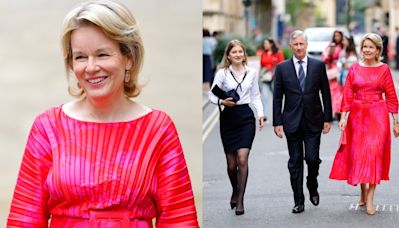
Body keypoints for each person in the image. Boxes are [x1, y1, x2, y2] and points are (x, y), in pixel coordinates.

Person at [7, 1, 199, 227]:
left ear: (129, 58)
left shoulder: (158, 128)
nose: (90, 67)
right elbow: (24, 220)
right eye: (80, 57)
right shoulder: (48, 127)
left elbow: (179, 219)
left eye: (102, 54)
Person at [329, 33, 399, 215]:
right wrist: (343, 117)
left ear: (378, 50)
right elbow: (347, 94)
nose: (367, 50)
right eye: (365, 47)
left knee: (374, 154)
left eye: (371, 47)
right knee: (360, 156)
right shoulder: (354, 68)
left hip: (378, 115)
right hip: (358, 117)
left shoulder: (384, 69)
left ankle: (370, 198)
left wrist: (395, 121)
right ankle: (362, 190)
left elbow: (391, 96)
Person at [273, 30, 332, 213]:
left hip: (314, 120)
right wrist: (277, 122)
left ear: (307, 45)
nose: (299, 47)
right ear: (291, 46)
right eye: (295, 44)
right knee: (295, 161)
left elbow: (326, 93)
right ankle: (298, 200)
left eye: (301, 44)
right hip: (291, 121)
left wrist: (328, 118)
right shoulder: (282, 68)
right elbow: (277, 97)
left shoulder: (318, 66)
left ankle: (312, 183)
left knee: (312, 159)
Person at [209, 39, 265, 215]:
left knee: (242, 159)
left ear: (244, 54)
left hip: (246, 117)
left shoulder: (252, 72)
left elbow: (255, 95)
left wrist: (261, 114)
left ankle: (240, 199)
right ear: (228, 55)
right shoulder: (222, 74)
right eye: (234, 52)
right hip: (228, 118)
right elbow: (211, 95)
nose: (238, 55)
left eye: (240, 52)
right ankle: (235, 189)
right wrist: (222, 101)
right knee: (232, 165)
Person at [259, 38, 284, 120]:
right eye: (264, 44)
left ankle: (279, 115)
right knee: (264, 97)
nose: (264, 45)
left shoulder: (278, 53)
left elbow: (282, 65)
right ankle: (265, 115)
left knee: (277, 98)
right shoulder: (263, 54)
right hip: (265, 78)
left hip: (275, 78)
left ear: (271, 44)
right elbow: (261, 65)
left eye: (266, 43)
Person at [322, 30, 344, 120]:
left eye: (338, 36)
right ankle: (333, 112)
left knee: (341, 93)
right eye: (335, 36)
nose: (337, 38)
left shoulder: (343, 46)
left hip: (341, 72)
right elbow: (324, 58)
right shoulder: (330, 46)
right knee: (332, 93)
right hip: (332, 72)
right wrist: (330, 53)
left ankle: (340, 112)